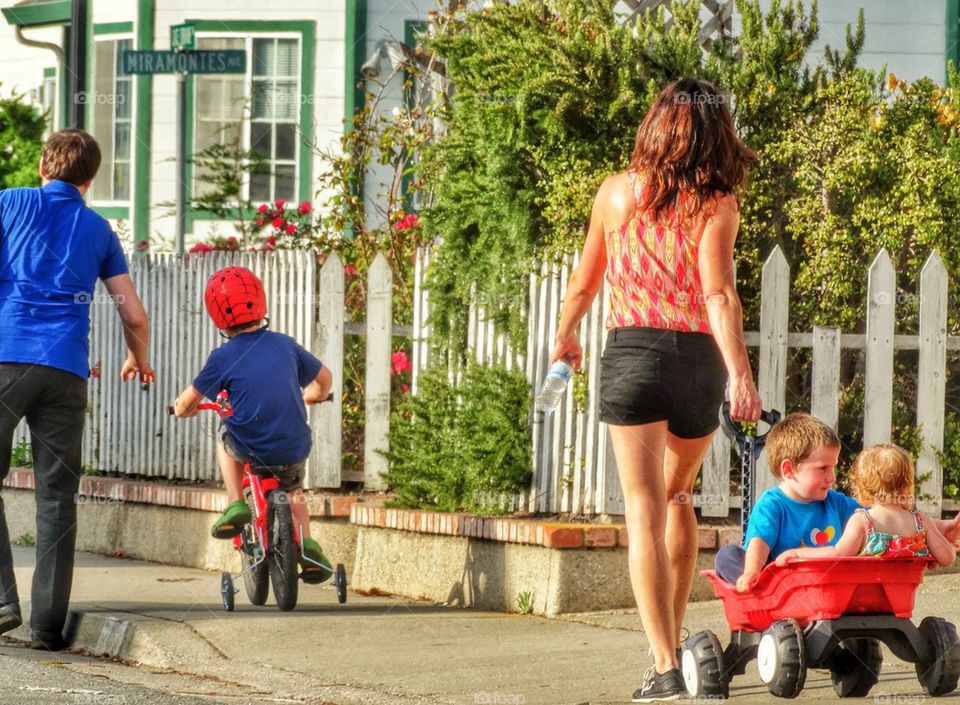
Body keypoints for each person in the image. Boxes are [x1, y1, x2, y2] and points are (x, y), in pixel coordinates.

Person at [551, 78, 762, 702]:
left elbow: (584, 283)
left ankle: (665, 664)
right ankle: (676, 651)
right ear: (712, 133)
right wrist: (740, 376)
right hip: (697, 360)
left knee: (643, 509)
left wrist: (566, 334)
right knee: (678, 496)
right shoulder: (717, 204)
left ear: (657, 126)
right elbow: (718, 294)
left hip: (632, 356)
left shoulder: (615, 193)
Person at [0, 129, 154, 650]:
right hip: (65, 371)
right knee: (57, 497)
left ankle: (3, 600)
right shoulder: (99, 229)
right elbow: (133, 313)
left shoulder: (9, 203)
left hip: (5, 358)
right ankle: (46, 625)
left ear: (43, 167)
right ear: (89, 181)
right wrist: (138, 359)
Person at [172, 266, 334, 580]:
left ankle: (236, 503)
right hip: (293, 445)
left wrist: (182, 410)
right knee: (293, 489)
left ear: (217, 317)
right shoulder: (286, 345)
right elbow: (324, 379)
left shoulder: (222, 357)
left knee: (224, 434)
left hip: (248, 445)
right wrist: (314, 395)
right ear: (261, 302)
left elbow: (186, 402)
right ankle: (308, 544)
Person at [713, 413, 859, 591]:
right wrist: (752, 571)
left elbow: (871, 517)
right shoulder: (772, 505)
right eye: (823, 468)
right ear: (789, 469)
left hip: (825, 580)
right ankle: (760, 588)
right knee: (727, 555)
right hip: (780, 580)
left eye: (833, 467)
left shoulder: (836, 502)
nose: (832, 477)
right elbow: (760, 541)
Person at [775, 443, 955, 567]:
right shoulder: (920, 521)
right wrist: (927, 552)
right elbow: (947, 558)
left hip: (865, 599)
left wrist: (799, 554)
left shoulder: (863, 521)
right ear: (907, 485)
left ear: (863, 488)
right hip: (901, 600)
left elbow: (837, 554)